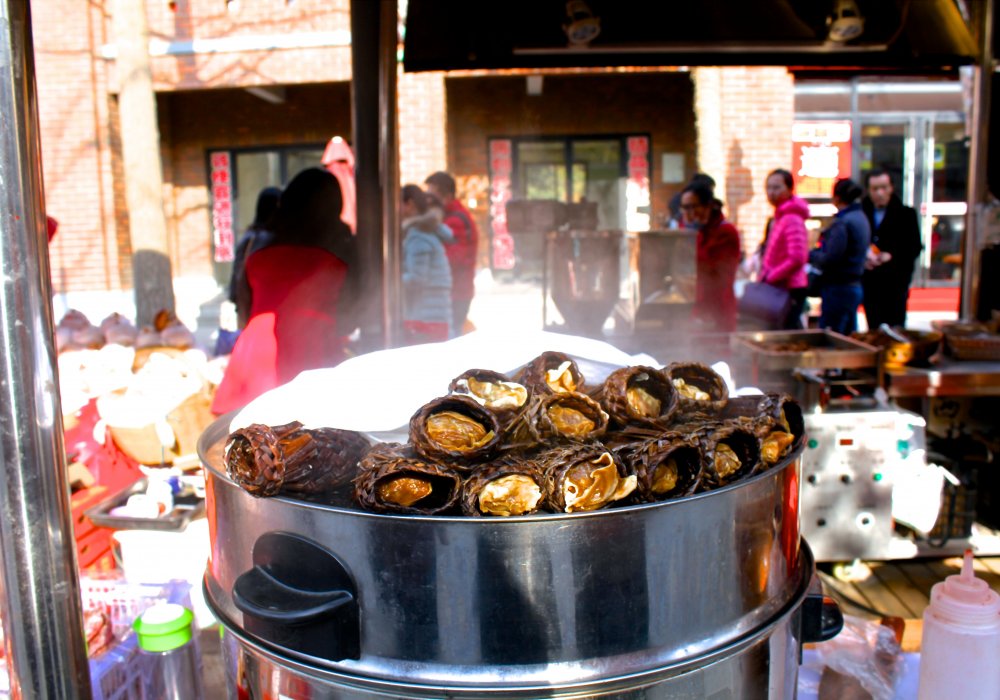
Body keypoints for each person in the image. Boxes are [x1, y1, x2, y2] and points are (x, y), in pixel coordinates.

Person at [211, 168, 355, 415]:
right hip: (312, 352)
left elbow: (246, 310)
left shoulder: (258, 252)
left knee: (250, 440)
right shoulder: (339, 255)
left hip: (252, 355)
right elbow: (352, 317)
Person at [861, 169, 923, 328]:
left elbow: (914, 246)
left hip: (895, 283)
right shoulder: (861, 213)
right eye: (875, 189)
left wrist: (892, 255)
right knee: (874, 328)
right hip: (870, 282)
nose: (880, 193)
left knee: (895, 328)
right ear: (868, 190)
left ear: (891, 188)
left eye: (884, 187)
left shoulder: (906, 214)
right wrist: (864, 257)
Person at [808, 178, 871, 336]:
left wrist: (810, 254)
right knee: (848, 336)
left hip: (838, 288)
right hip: (854, 285)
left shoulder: (843, 222)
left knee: (832, 338)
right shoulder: (861, 217)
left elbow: (830, 257)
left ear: (836, 198)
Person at [680, 182, 741, 332]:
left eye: (692, 207)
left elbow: (712, 269)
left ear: (708, 206)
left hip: (718, 307)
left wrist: (691, 237)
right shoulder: (699, 231)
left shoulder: (726, 232)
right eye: (684, 208)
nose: (688, 213)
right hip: (697, 305)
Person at [424, 171, 478, 335]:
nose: (427, 200)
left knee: (451, 336)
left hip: (456, 293)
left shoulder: (454, 221)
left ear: (446, 196)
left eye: (431, 195)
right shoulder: (452, 217)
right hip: (458, 291)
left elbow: (452, 260)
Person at [400, 184, 454, 344]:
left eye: (399, 203)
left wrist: (391, 280)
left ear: (409, 204)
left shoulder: (418, 236)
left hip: (426, 318)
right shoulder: (425, 231)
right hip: (434, 315)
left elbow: (417, 279)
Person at [758, 169, 810, 329]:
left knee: (787, 333)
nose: (771, 192)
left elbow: (797, 257)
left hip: (789, 287)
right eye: (769, 187)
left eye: (777, 187)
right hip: (780, 286)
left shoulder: (792, 218)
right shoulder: (781, 216)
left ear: (789, 189)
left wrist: (772, 275)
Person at [229, 186, 281, 329]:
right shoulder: (267, 240)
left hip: (249, 313)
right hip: (265, 313)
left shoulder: (249, 237)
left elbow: (234, 284)